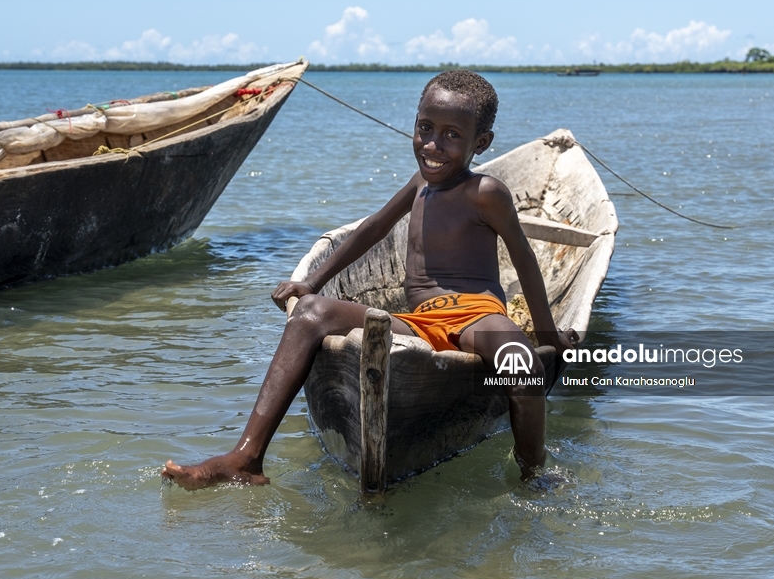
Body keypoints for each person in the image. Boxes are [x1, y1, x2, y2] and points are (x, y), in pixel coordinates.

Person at [162, 70, 576, 489]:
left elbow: (523, 257)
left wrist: (547, 335)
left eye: (452, 135)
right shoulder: (420, 184)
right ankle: (246, 457)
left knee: (522, 368)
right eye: (425, 128)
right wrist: (313, 283)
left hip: (476, 315)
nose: (432, 145)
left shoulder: (486, 192)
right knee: (309, 313)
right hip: (420, 321)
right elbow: (373, 228)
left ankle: (533, 475)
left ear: (481, 143)